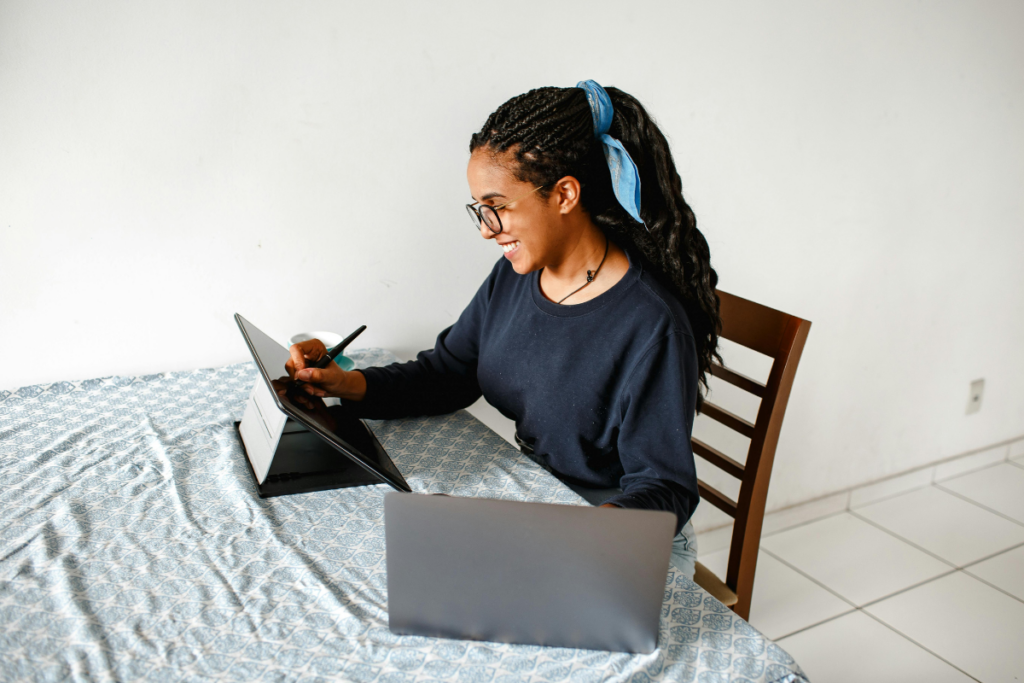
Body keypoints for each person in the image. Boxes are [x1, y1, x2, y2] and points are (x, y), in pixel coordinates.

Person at [285, 81, 721, 579]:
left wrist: (569, 538)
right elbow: (447, 373)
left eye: (498, 206)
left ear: (564, 194)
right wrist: (347, 383)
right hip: (545, 501)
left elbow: (663, 487)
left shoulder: (651, 326)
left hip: (618, 532)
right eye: (479, 209)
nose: (487, 229)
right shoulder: (517, 278)